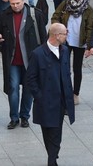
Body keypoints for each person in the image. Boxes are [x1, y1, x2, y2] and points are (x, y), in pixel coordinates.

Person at [25, 22, 75, 166]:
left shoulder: (65, 51)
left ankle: (52, 160)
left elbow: (66, 73)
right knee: (48, 131)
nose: (67, 36)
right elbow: (31, 78)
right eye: (65, 33)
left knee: (56, 132)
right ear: (57, 35)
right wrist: (40, 96)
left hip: (60, 100)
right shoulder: (38, 54)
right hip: (45, 101)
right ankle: (52, 157)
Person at [0, 0, 40, 129]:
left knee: (28, 89)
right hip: (12, 59)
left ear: (23, 1)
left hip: (30, 59)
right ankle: (14, 117)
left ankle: (24, 116)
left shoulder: (34, 14)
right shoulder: (4, 15)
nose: (15, 6)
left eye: (18, 3)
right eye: (12, 3)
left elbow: (42, 36)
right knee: (13, 87)